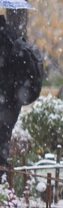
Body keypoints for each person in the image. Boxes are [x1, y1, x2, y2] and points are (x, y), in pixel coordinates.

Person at [0, 15, 43, 169]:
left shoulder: (3, 38)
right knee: (3, 145)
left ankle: (2, 187)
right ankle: (4, 186)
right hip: (12, 103)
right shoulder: (9, 32)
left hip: (5, 102)